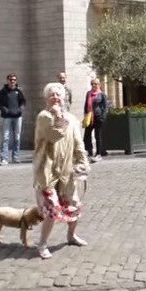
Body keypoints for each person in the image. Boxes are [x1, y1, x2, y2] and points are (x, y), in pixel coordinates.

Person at [33, 82, 89, 260]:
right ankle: (42, 244)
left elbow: (77, 142)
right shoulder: (43, 117)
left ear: (64, 97)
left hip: (67, 170)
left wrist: (82, 162)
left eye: (58, 94)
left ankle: (71, 236)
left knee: (73, 205)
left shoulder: (72, 119)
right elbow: (55, 135)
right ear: (46, 99)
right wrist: (58, 117)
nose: (55, 98)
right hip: (47, 170)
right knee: (51, 209)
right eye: (52, 95)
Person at [0, 73, 27, 165]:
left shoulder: (19, 91)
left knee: (17, 137)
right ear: (7, 81)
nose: (12, 81)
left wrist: (20, 109)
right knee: (6, 137)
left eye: (14, 80)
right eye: (10, 80)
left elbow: (23, 102)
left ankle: (15, 156)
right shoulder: (3, 91)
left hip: (17, 117)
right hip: (7, 117)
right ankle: (4, 158)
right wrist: (5, 110)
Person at [82, 78, 110, 162]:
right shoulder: (88, 94)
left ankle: (98, 153)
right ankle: (89, 151)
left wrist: (103, 117)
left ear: (99, 85)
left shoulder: (102, 95)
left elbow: (105, 107)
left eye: (95, 84)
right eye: (92, 84)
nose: (94, 85)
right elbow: (86, 105)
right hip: (89, 117)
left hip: (98, 117)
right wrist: (85, 115)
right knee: (87, 135)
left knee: (97, 136)